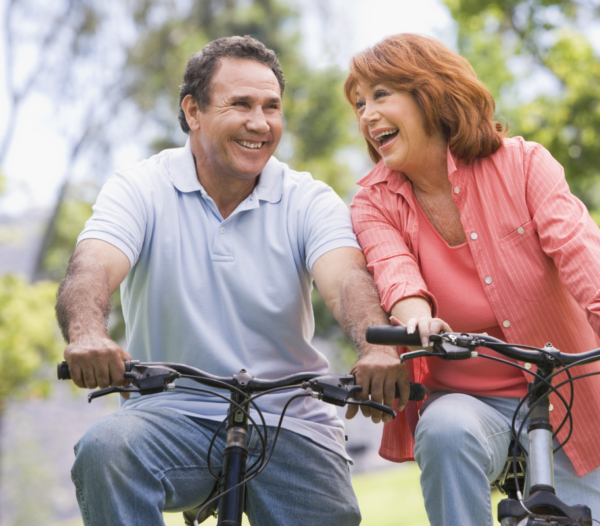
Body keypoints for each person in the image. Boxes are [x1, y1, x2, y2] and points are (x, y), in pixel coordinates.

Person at [56, 35, 409, 526]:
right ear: (193, 111)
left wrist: (374, 346)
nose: (260, 123)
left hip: (290, 419)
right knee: (105, 450)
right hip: (172, 412)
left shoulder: (307, 199)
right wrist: (87, 334)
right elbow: (91, 266)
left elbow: (347, 278)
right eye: (240, 104)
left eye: (271, 107)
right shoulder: (140, 187)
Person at [344, 34, 600, 526]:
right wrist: (418, 322)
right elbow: (394, 273)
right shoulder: (373, 202)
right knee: (445, 430)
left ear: (429, 92)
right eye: (360, 103)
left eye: (381, 94)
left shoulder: (523, 163)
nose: (366, 114)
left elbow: (581, 250)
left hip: (569, 392)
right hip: (467, 403)